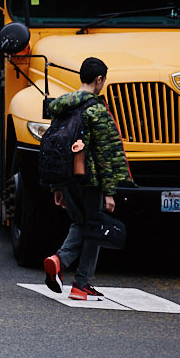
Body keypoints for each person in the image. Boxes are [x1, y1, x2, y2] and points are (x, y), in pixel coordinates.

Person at [43, 57, 129, 302]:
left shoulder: (63, 107)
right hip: (89, 178)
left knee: (82, 223)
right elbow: (104, 152)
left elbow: (57, 146)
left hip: (67, 176)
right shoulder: (96, 110)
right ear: (99, 79)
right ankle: (68, 270)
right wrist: (109, 191)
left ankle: (77, 278)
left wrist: (57, 187)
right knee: (94, 226)